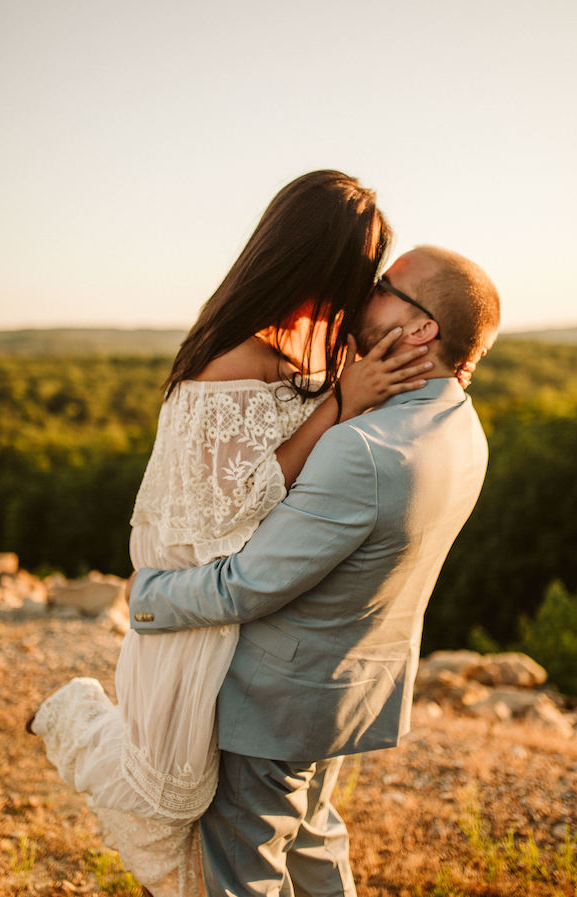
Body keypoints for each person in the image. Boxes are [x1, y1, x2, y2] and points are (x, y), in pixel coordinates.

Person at [26, 171, 438, 897]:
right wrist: (341, 403)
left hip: (285, 617)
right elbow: (227, 509)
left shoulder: (328, 337)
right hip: (213, 608)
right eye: (360, 268)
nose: (367, 285)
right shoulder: (232, 359)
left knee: (302, 818)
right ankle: (74, 715)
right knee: (186, 811)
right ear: (319, 260)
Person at [128, 244, 499, 895]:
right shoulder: (464, 428)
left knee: (246, 871)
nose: (364, 292)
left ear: (422, 330)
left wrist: (150, 596)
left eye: (385, 286)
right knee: (314, 839)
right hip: (347, 688)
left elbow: (248, 582)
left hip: (273, 703)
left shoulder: (363, 447)